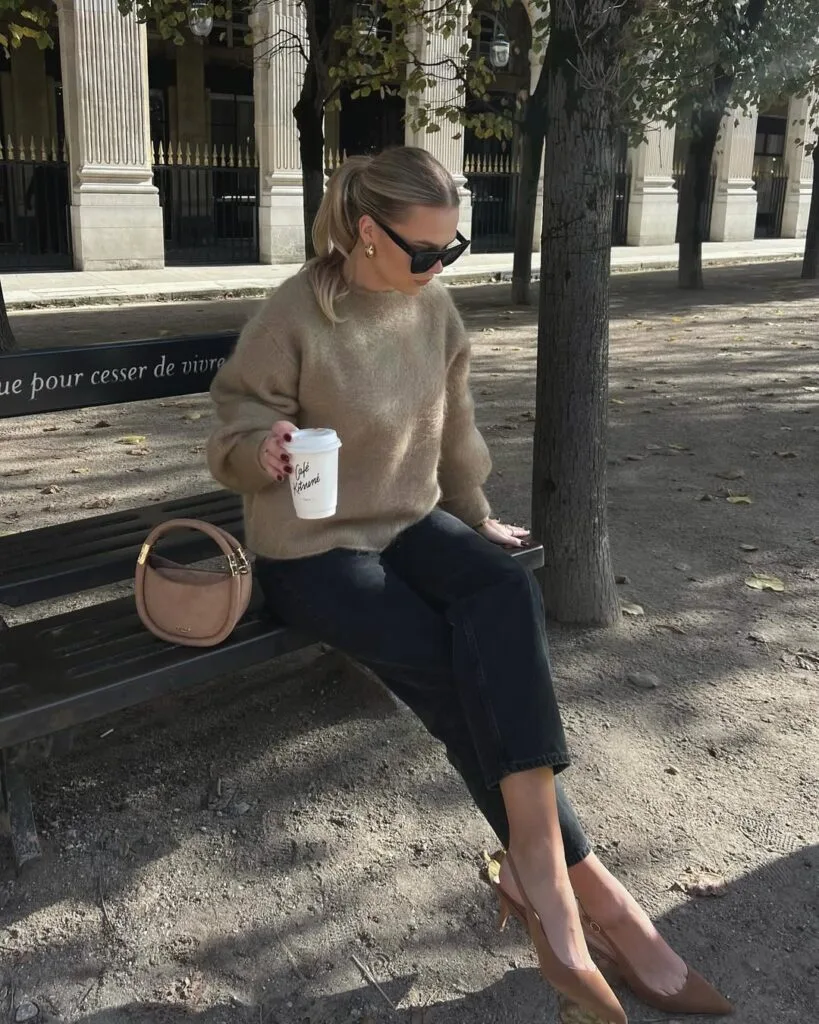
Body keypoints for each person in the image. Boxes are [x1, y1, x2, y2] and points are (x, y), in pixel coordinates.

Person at [207, 147, 732, 1021]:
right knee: (455, 675)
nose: (439, 266)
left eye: (451, 249)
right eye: (424, 251)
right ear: (367, 233)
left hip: (407, 521)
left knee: (500, 589)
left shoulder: (433, 309)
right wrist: (257, 449)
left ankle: (538, 865)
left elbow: (452, 427)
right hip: (310, 548)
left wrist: (475, 511)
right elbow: (234, 418)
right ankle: (589, 889)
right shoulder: (294, 314)